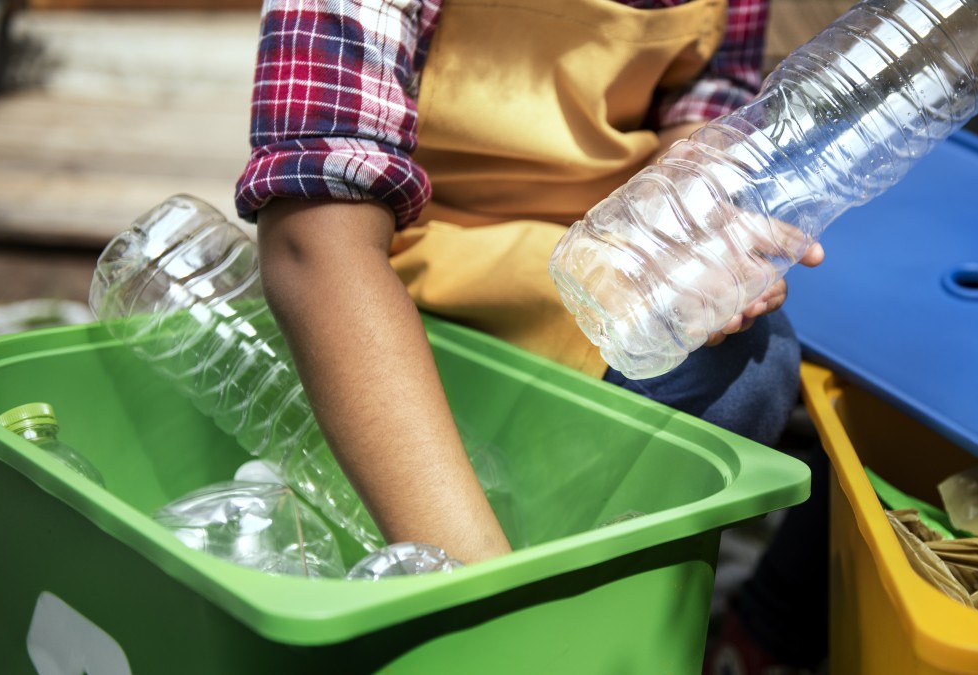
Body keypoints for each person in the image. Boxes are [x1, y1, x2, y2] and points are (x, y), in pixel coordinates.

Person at [235, 0, 824, 669]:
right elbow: (312, 244)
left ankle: (590, 618)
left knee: (746, 364)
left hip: (595, 254)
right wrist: (488, 601)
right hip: (406, 269)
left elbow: (704, 96)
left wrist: (690, 217)